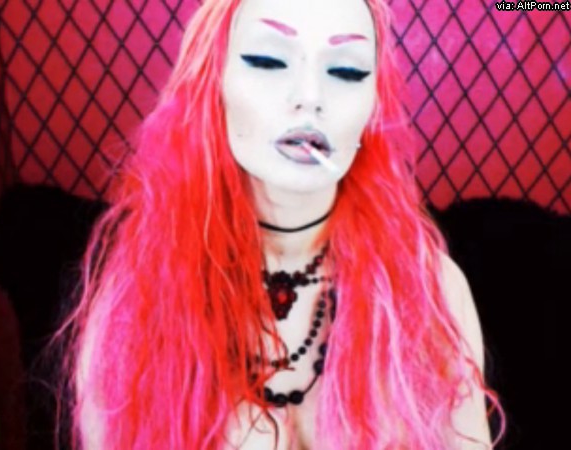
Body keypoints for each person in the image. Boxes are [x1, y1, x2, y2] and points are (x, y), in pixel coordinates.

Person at [53, 0, 506, 448]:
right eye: (267, 61)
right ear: (214, 82)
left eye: (346, 71)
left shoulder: (430, 290)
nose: (310, 96)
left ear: (374, 105)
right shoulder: (139, 293)